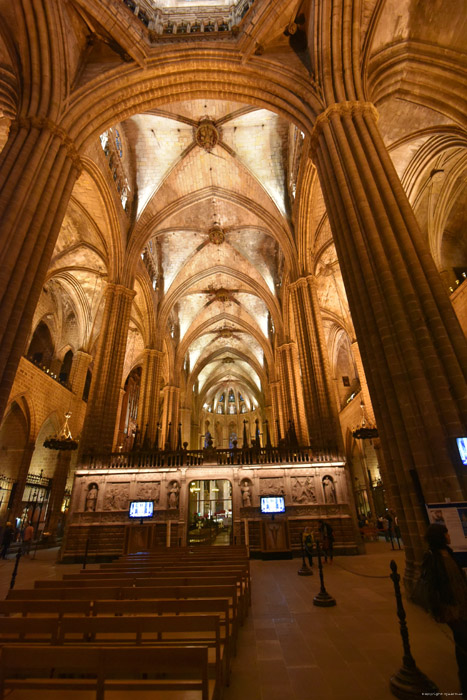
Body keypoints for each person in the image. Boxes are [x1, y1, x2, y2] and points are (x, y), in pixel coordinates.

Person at [418, 523, 467, 697]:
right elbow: (430, 585)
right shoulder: (432, 557)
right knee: (463, 642)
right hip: (450, 607)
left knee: (463, 641)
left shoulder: (450, 553)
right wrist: (435, 608)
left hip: (462, 603)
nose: (449, 535)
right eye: (446, 533)